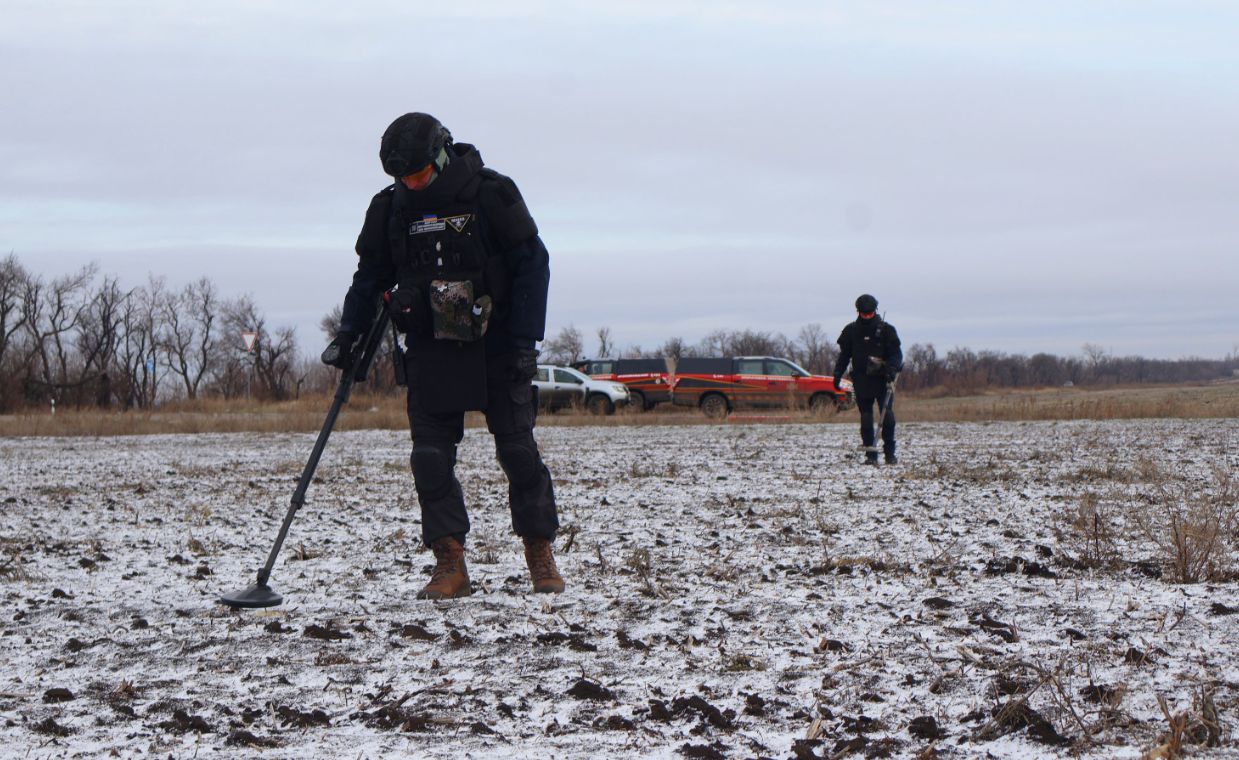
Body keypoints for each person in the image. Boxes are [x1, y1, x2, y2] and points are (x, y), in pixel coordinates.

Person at [322, 112, 563, 599]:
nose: (410, 183)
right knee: (429, 459)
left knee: (518, 453)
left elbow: (533, 264)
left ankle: (539, 552)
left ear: (439, 156)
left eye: (416, 173)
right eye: (401, 177)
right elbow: (370, 275)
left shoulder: (492, 194)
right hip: (430, 348)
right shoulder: (391, 209)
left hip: (497, 347)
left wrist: (524, 341)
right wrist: (350, 333)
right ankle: (450, 561)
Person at [833, 294, 903, 465]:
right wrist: (837, 374)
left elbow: (896, 354)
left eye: (869, 313)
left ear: (875, 311)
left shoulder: (887, 330)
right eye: (864, 314)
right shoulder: (851, 331)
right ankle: (870, 455)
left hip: (883, 379)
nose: (866, 316)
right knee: (865, 417)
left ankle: (890, 453)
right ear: (858, 312)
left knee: (887, 416)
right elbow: (844, 356)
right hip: (861, 380)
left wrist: (892, 369)